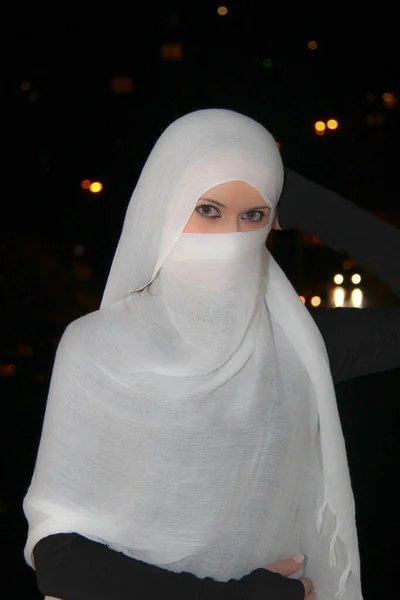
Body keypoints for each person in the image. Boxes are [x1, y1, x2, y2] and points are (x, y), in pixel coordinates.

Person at [23, 109, 400, 600]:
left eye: (252, 216)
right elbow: (59, 556)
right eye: (208, 210)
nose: (229, 237)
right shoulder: (99, 345)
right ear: (166, 203)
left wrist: (302, 201)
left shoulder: (299, 345)